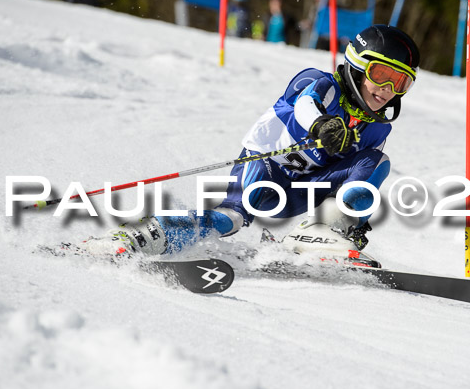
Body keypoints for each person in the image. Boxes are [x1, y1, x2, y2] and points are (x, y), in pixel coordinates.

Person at [82, 25, 420, 265]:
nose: (387, 89)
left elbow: (357, 176)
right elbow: (305, 105)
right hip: (267, 167)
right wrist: (320, 124)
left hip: (303, 189)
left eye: (400, 81)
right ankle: (147, 236)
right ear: (359, 67)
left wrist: (355, 216)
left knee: (378, 161)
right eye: (380, 75)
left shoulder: (377, 128)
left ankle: (323, 232)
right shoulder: (319, 83)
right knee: (230, 219)